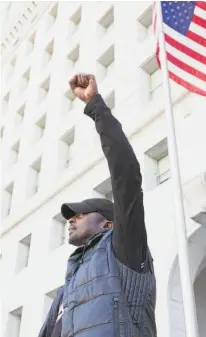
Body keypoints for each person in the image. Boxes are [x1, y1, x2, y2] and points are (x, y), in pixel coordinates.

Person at [39, 74, 157, 337]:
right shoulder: (66, 289)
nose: (71, 219)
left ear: (109, 223)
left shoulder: (124, 248)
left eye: (81, 213)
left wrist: (95, 105)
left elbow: (126, 175)